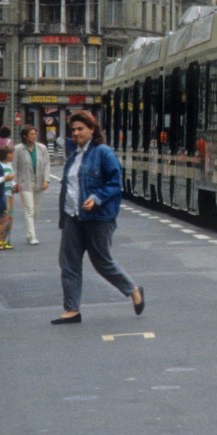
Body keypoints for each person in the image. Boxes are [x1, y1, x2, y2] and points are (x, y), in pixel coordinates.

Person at [52, 111, 143, 326]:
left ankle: (133, 290)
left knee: (102, 262)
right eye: (73, 130)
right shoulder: (73, 156)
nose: (76, 133)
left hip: (98, 218)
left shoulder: (103, 153)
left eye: (80, 129)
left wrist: (96, 198)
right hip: (73, 216)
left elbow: (114, 182)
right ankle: (72, 310)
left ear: (92, 129)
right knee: (68, 263)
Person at [13, 126, 50, 245]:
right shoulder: (18, 149)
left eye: (35, 134)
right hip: (25, 183)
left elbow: (47, 164)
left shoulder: (42, 148)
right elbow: (14, 167)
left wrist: (46, 180)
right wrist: (14, 183)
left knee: (36, 211)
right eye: (31, 134)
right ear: (25, 136)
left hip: (39, 182)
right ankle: (31, 236)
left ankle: (30, 231)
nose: (34, 136)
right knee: (29, 209)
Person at [0, 145, 18, 251]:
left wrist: (14, 186)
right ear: (7, 154)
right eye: (12, 153)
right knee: (2, 217)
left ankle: (5, 240)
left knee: (9, 218)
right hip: (1, 195)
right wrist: (5, 178)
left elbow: (10, 181)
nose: (13, 155)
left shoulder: (9, 166)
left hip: (10, 194)